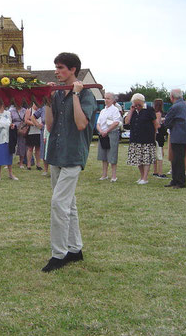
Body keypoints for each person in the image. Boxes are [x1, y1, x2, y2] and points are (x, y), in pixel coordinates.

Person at [42, 52, 97, 272]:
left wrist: (75, 95)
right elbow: (48, 125)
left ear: (73, 70)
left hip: (73, 156)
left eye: (61, 67)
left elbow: (82, 124)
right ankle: (75, 249)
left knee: (58, 203)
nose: (56, 71)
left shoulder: (87, 96)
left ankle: (59, 254)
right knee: (68, 205)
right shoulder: (56, 94)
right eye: (56, 67)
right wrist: (47, 99)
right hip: (56, 154)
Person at [125, 93, 159, 185]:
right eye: (135, 104)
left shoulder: (149, 110)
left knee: (146, 159)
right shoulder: (133, 111)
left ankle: (145, 178)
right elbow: (127, 121)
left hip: (147, 139)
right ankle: (142, 176)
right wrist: (131, 111)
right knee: (138, 160)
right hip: (135, 139)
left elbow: (156, 124)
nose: (137, 106)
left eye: (139, 104)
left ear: (142, 102)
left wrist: (155, 136)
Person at [163, 89, 186, 188]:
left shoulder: (175, 107)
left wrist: (169, 125)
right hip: (184, 135)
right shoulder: (185, 105)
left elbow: (167, 121)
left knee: (177, 160)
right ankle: (175, 180)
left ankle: (180, 182)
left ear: (172, 97)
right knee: (177, 159)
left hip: (177, 135)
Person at [96, 91, 122, 182]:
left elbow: (116, 122)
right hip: (102, 134)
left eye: (108, 98)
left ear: (112, 100)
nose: (106, 100)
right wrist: (101, 131)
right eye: (105, 98)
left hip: (111, 134)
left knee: (112, 155)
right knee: (103, 155)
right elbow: (98, 123)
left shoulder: (115, 110)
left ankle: (114, 176)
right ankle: (104, 174)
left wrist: (107, 130)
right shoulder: (103, 111)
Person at [152, 98, 168, 179]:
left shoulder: (153, 113)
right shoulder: (159, 113)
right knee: (160, 152)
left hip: (154, 134)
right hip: (158, 134)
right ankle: (160, 172)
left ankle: (155, 171)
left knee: (156, 153)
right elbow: (157, 125)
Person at [25, 104, 43, 170]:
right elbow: (26, 120)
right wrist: (35, 124)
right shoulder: (29, 110)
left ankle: (38, 164)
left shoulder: (41, 110)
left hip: (39, 132)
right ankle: (29, 165)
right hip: (31, 132)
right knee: (30, 149)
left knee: (38, 149)